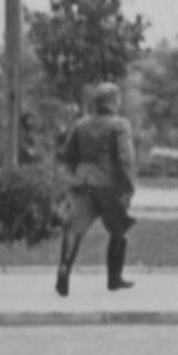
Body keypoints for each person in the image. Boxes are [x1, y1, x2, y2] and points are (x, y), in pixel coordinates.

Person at [54, 81, 137, 296]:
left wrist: (77, 175)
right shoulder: (120, 125)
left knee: (74, 229)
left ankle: (64, 271)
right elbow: (125, 159)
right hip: (109, 187)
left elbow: (68, 155)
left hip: (84, 185)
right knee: (118, 230)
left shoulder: (80, 125)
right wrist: (128, 187)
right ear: (113, 102)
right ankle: (114, 278)